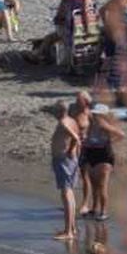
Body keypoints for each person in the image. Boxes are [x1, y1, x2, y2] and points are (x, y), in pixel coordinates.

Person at [81, 103, 122, 221]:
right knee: (94, 185)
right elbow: (89, 137)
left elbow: (121, 134)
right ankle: (94, 209)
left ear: (103, 115)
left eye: (97, 114)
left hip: (103, 156)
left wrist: (109, 142)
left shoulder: (103, 124)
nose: (94, 115)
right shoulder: (92, 123)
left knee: (102, 185)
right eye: (94, 114)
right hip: (91, 154)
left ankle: (104, 211)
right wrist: (85, 141)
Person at [49, 101, 82, 242]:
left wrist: (69, 150)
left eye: (54, 110)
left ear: (59, 111)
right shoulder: (71, 120)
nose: (53, 113)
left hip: (64, 161)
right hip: (69, 160)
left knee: (66, 193)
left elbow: (76, 138)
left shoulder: (64, 123)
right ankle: (72, 228)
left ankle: (68, 231)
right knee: (69, 194)